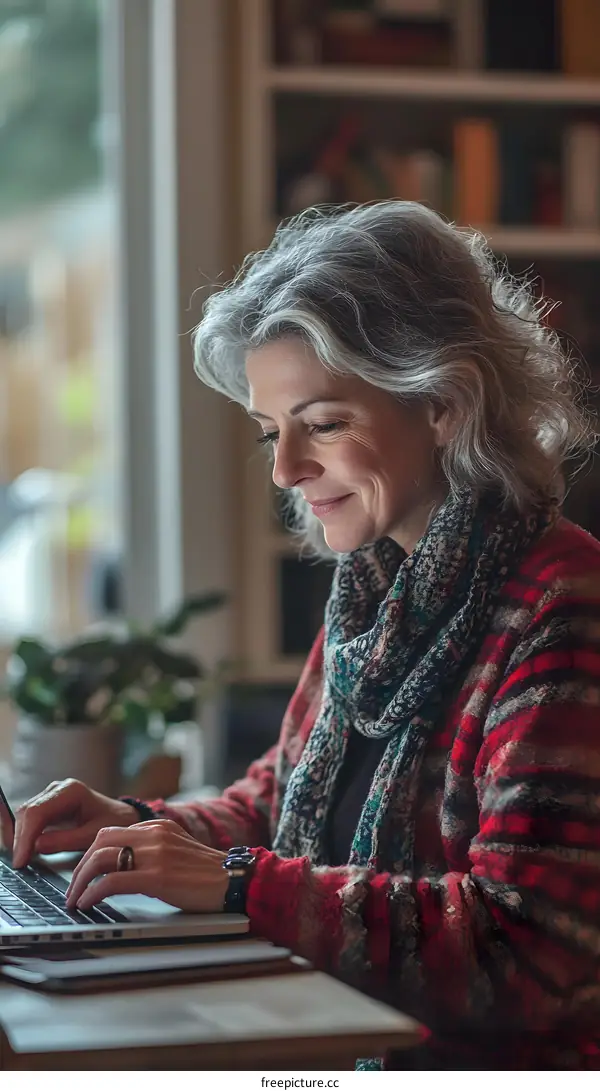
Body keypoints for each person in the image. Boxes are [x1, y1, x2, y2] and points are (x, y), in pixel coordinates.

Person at [5, 201, 600, 1070]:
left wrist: (238, 884)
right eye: (271, 433)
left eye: (322, 424)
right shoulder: (376, 587)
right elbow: (278, 807)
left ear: (441, 399)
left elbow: (529, 953)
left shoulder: (561, 602)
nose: (285, 469)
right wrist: (131, 826)